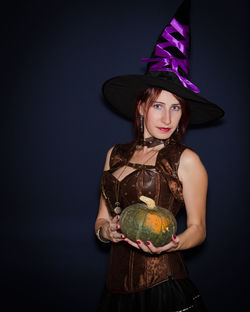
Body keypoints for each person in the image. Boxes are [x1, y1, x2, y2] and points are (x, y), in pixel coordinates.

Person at [95, 1, 224, 311]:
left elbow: (198, 229)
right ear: (141, 107)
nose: (167, 118)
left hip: (163, 286)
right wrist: (106, 232)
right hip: (114, 290)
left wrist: (175, 242)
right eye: (158, 106)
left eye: (176, 107)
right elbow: (100, 218)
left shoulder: (186, 160)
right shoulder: (115, 154)